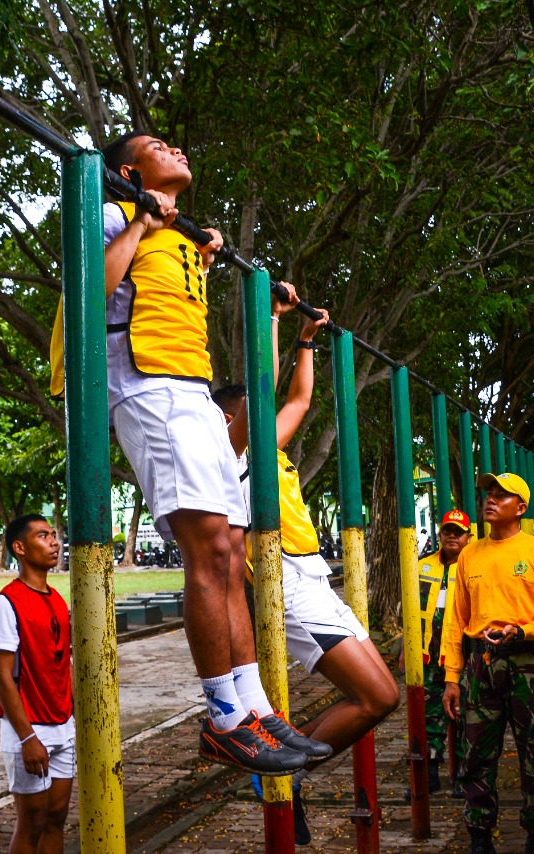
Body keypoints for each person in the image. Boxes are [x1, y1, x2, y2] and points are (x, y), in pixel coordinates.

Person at [91, 131, 320, 775]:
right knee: (208, 550)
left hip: (191, 388)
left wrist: (200, 251)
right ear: (130, 172)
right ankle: (223, 716)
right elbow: (91, 290)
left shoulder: (178, 236)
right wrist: (143, 220)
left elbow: (160, 293)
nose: (177, 150)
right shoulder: (110, 211)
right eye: (159, 146)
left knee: (232, 553)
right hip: (148, 386)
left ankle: (254, 708)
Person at [213, 299, 398, 844]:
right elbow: (268, 388)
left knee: (384, 692)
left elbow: (299, 398)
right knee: (377, 697)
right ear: (231, 420)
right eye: (250, 410)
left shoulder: (266, 448)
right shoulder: (228, 453)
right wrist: (270, 316)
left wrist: (307, 340)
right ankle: (279, 771)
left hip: (313, 576)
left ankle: (281, 766)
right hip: (285, 583)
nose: (263, 416)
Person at [442, 472, 534, 854]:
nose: (491, 500)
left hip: (527, 665)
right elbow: (456, 620)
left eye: (502, 495)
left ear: (521, 507)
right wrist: (452, 677)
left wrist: (524, 630)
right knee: (476, 755)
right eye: (489, 493)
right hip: (481, 667)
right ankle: (480, 838)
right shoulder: (470, 555)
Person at [0, 514, 76, 854]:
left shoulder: (57, 599)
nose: (54, 541)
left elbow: (63, 663)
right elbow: (1, 676)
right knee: (32, 822)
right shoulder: (4, 604)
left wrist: (74, 717)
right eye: (42, 536)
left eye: (53, 534)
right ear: (20, 548)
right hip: (29, 727)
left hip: (62, 723)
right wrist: (27, 738)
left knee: (57, 817)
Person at [414, 509, 473, 797]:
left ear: (468, 537)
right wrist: (406, 648)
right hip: (429, 657)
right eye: (447, 531)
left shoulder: (474, 566)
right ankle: (431, 774)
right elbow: (413, 610)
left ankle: (464, 775)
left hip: (463, 657)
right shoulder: (423, 566)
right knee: (429, 717)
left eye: (458, 532)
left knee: (463, 715)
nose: (452, 536)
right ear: (440, 534)